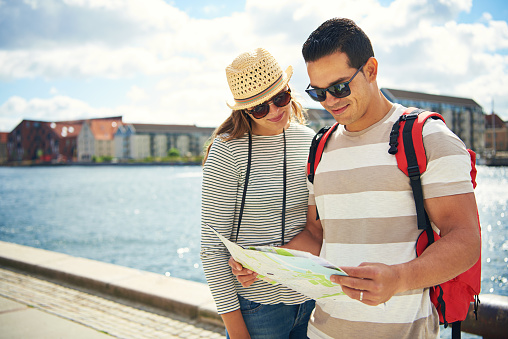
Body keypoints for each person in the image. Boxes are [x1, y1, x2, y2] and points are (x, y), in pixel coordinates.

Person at [231, 18, 481, 338]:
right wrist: (263, 263)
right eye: (318, 92)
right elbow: (316, 234)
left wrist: (400, 278)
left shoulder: (427, 137)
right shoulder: (319, 147)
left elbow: (465, 239)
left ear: (371, 70)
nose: (330, 101)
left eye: (338, 87)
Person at [200, 47, 317, 339]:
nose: (276, 111)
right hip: (257, 310)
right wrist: (239, 334)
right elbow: (212, 251)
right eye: (260, 107)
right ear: (244, 110)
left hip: (312, 299)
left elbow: (318, 227)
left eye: (281, 98)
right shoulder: (227, 152)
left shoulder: (311, 141)